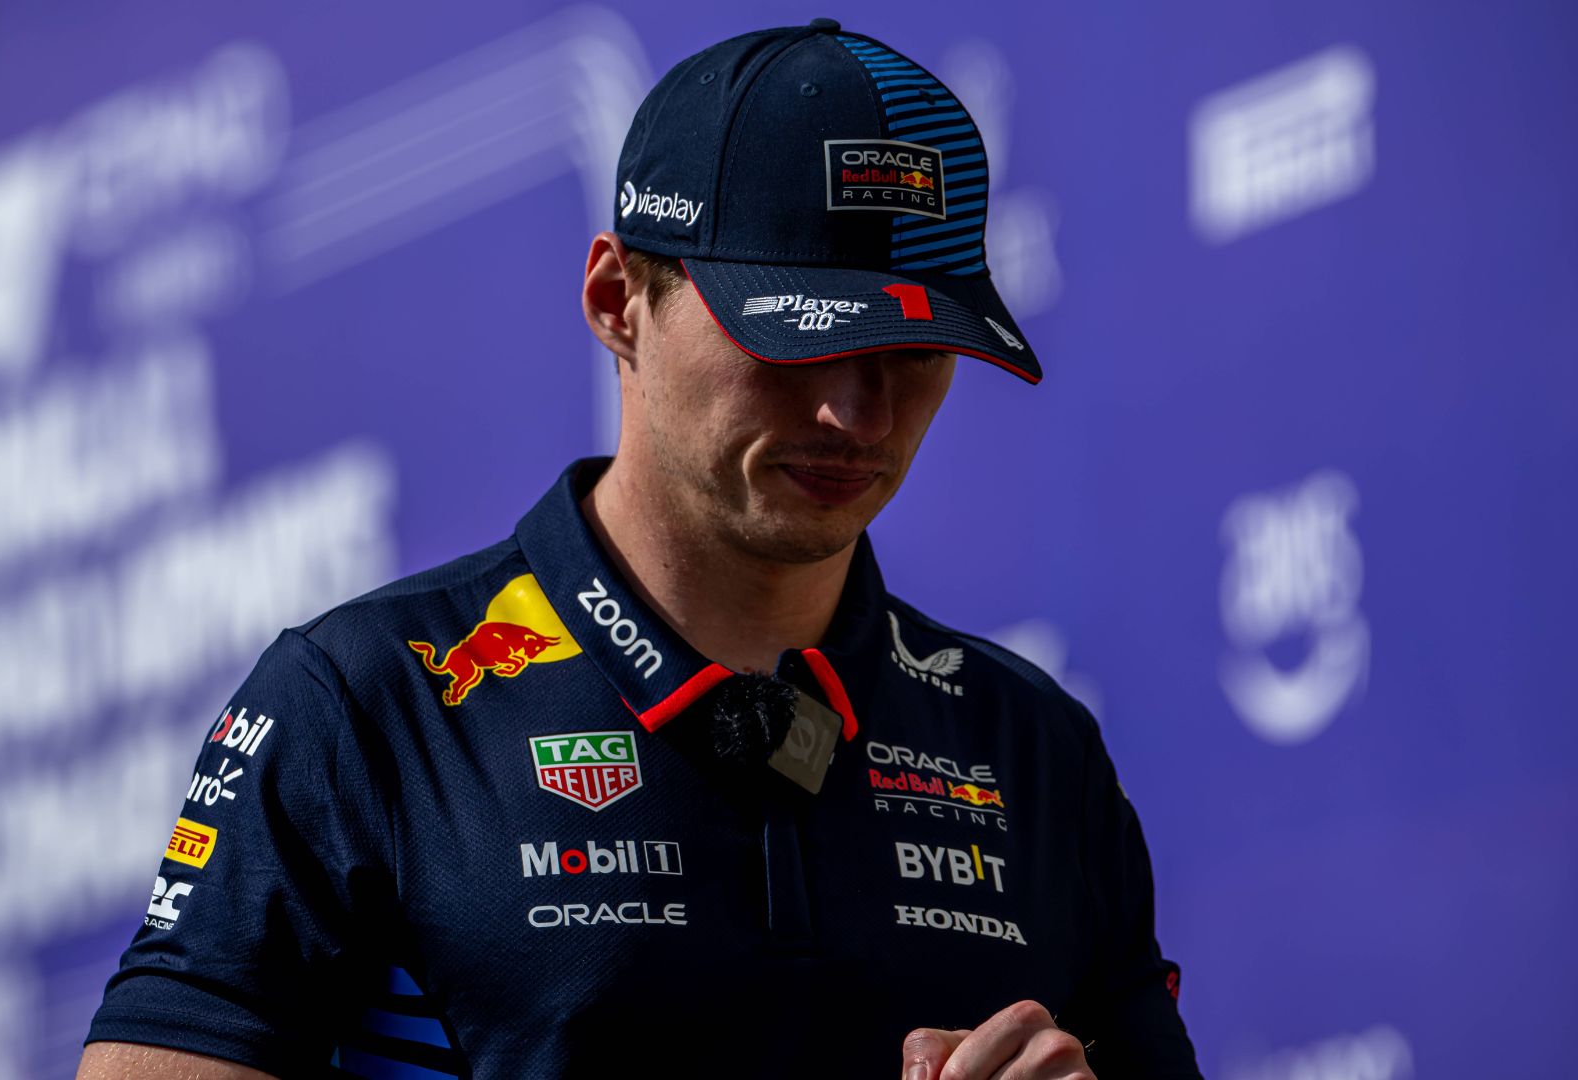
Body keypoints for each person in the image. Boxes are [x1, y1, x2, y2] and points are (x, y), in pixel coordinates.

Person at [80, 18, 1202, 1079]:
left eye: (914, 349)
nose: (857, 415)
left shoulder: (1032, 747)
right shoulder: (371, 706)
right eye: (798, 338)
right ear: (618, 299)